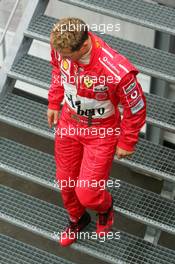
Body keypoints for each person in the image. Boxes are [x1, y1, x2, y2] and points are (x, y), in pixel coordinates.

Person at [47, 18, 146, 247]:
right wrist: (54, 102)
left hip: (101, 133)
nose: (62, 58)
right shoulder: (61, 50)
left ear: (83, 46)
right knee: (65, 182)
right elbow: (57, 71)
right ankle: (78, 218)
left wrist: (127, 141)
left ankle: (105, 207)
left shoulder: (116, 70)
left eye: (67, 55)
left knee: (89, 193)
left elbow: (136, 107)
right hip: (68, 125)